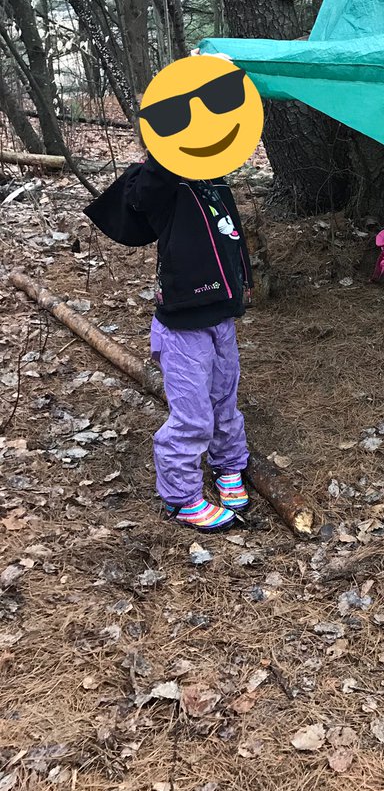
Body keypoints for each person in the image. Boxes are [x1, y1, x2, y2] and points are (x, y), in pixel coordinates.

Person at [86, 154, 254, 533]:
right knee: (192, 414)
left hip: (221, 314)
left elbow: (231, 232)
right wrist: (166, 150)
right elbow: (142, 196)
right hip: (182, 324)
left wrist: (244, 277)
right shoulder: (159, 180)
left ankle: (228, 464)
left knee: (224, 398)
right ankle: (182, 496)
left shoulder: (213, 177)